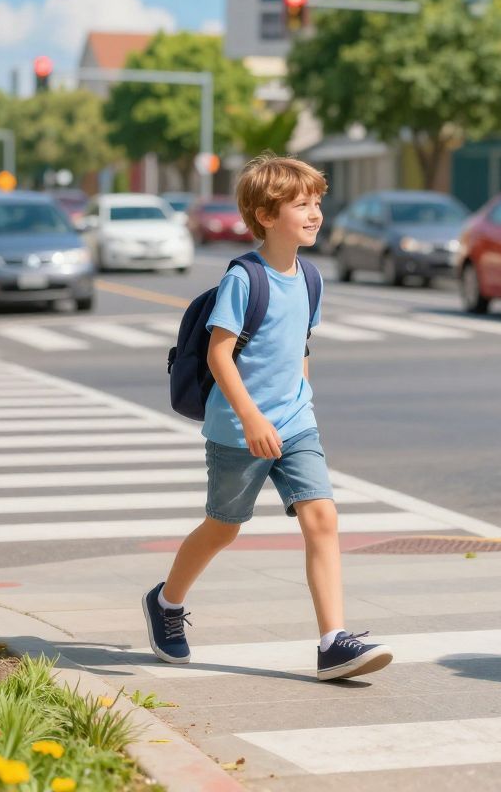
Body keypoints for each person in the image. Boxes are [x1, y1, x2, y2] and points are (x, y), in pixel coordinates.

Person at [143, 154, 392, 682]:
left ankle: (333, 642)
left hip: (296, 423)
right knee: (223, 527)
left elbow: (300, 345)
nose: (315, 213)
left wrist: (304, 400)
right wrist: (253, 418)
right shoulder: (245, 278)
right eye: (301, 204)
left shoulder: (311, 277)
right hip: (240, 429)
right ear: (265, 215)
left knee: (322, 517)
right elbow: (219, 355)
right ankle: (166, 602)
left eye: (317, 202)